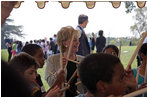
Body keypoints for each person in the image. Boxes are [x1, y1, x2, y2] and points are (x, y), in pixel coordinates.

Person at [45, 26, 86, 97]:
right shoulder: (52, 59)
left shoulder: (83, 60)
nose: (78, 43)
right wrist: (58, 75)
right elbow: (49, 81)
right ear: (65, 43)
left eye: (78, 40)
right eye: (74, 40)